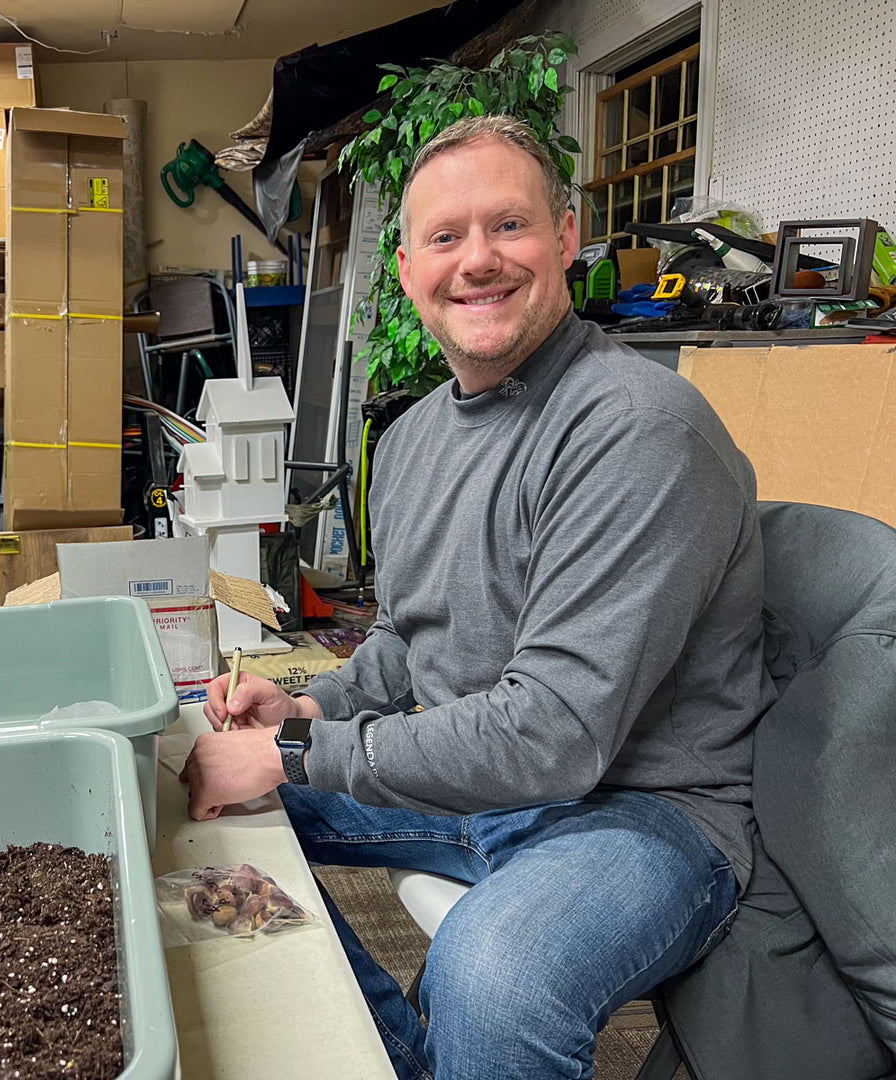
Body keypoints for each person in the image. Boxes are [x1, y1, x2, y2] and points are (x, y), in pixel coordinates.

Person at [180, 114, 775, 1080]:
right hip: (490, 786)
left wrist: (295, 753)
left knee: (495, 974)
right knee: (188, 780)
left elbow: (552, 732)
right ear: (408, 267)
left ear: (568, 238)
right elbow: (412, 647)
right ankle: (397, 1058)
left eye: (510, 226)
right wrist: (305, 706)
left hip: (642, 811)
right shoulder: (414, 437)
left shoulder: (635, 431)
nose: (478, 262)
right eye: (446, 238)